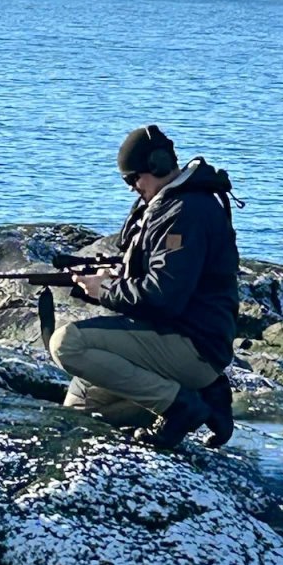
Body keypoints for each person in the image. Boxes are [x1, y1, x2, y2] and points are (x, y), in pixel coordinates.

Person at [49, 124, 240, 449]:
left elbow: (164, 296)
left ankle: (180, 406)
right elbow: (155, 274)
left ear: (158, 165)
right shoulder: (168, 204)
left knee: (67, 344)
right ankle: (205, 397)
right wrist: (110, 277)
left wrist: (105, 290)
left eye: (133, 179)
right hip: (167, 338)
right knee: (81, 412)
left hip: (191, 344)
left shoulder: (187, 213)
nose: (131, 188)